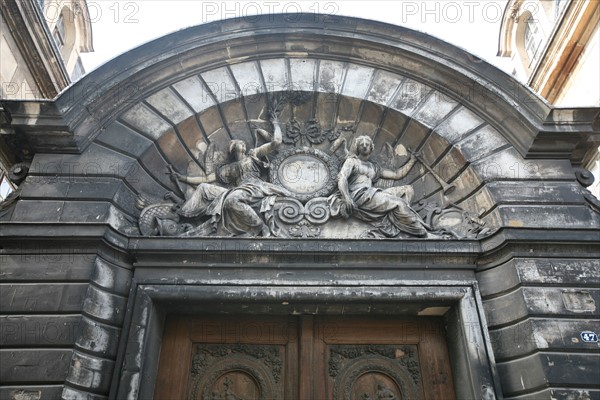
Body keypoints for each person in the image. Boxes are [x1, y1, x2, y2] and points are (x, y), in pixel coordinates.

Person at [170, 116, 291, 237]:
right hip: (238, 189)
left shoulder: (253, 154)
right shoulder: (229, 168)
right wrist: (182, 178)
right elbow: (206, 179)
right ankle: (182, 215)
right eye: (238, 144)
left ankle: (261, 226)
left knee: (232, 200)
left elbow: (276, 142)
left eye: (242, 143)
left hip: (254, 187)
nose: (241, 144)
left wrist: (276, 123)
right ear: (232, 149)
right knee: (203, 187)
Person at [330, 135, 429, 238]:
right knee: (398, 203)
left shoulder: (374, 167)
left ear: (371, 148)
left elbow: (396, 174)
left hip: (371, 193)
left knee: (407, 190)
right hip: (359, 195)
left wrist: (412, 160)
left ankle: (398, 223)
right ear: (357, 147)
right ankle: (421, 231)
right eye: (361, 144)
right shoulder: (352, 161)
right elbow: (342, 178)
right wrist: (347, 198)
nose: (364, 146)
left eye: (367, 144)